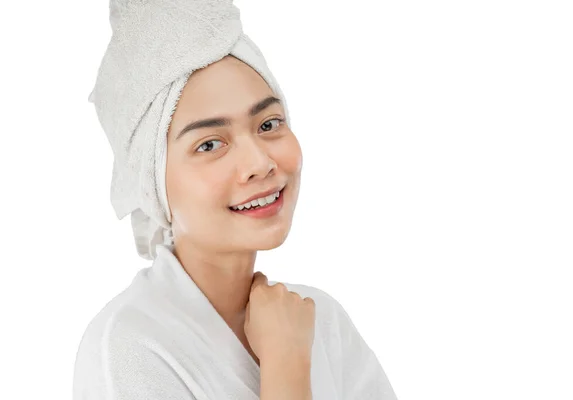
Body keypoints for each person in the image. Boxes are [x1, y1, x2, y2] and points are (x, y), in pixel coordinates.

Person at [73, 1, 397, 399]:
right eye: (209, 144)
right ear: (152, 182)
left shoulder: (320, 319)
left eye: (268, 124)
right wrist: (285, 363)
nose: (260, 163)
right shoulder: (129, 347)